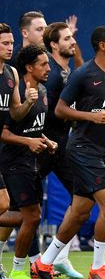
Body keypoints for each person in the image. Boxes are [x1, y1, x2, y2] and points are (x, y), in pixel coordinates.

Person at [31, 26, 105, 279]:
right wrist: (90, 116)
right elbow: (60, 110)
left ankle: (44, 263)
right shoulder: (83, 74)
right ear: (102, 46)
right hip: (81, 149)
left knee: (79, 212)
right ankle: (98, 267)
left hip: (101, 150)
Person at [0, 45, 57, 279]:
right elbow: (3, 132)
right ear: (29, 67)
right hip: (13, 162)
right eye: (43, 64)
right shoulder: (18, 89)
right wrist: (27, 142)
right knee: (31, 217)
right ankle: (19, 270)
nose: (48, 68)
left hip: (32, 162)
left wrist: (45, 140)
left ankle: (23, 268)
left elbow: (33, 129)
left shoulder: (42, 91)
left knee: (29, 217)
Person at [37, 22, 83, 278]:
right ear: (53, 45)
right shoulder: (52, 74)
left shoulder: (68, 72)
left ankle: (59, 257)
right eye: (66, 38)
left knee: (82, 197)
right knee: (19, 209)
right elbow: (50, 112)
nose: (72, 41)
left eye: (72, 37)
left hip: (61, 147)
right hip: (42, 146)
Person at [0, 23, 40, 278]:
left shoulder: (11, 73)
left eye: (11, 42)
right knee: (5, 204)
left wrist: (27, 102)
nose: (10, 47)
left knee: (8, 207)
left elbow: (15, 112)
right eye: (4, 43)